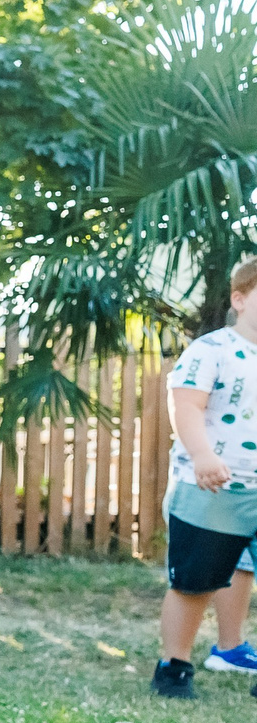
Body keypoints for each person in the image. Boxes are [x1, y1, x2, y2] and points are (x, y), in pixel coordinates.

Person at [152, 260, 257, 699]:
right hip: (213, 486)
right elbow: (186, 405)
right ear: (239, 299)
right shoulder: (213, 349)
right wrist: (202, 455)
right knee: (195, 581)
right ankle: (174, 665)